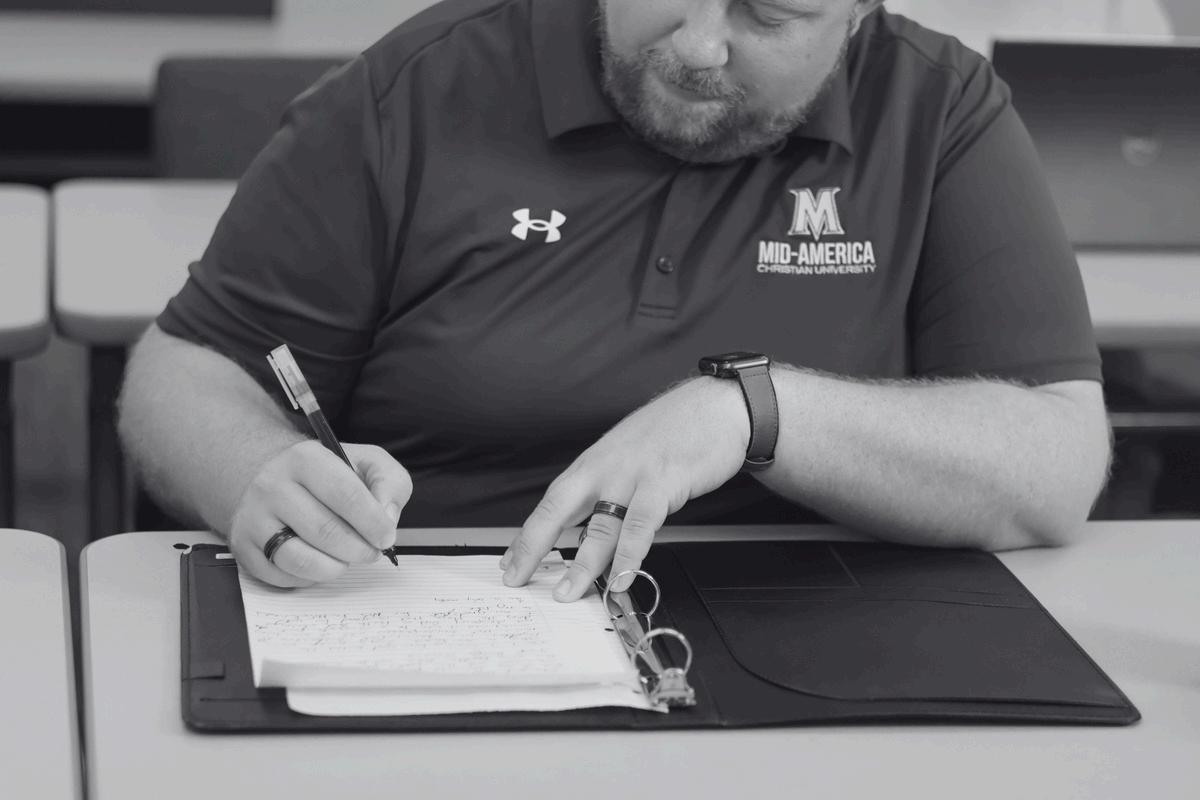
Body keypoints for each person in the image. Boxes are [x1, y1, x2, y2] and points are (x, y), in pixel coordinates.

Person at [118, 0, 1111, 600]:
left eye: (768, 16)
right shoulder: (421, 87)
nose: (699, 45)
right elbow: (186, 371)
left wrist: (756, 414)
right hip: (437, 612)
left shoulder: (938, 108)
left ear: (859, 14)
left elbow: (1057, 462)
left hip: (825, 626)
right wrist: (255, 471)